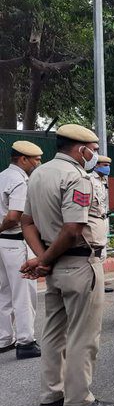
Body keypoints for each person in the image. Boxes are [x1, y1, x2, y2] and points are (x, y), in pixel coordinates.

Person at [20, 124, 114, 406]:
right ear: (80, 149)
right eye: (94, 149)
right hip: (79, 263)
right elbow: (73, 229)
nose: (95, 155)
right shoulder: (78, 178)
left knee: (53, 332)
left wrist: (42, 259)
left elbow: (26, 222)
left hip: (55, 265)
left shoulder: (38, 174)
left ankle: (52, 393)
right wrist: (44, 259)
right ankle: (78, 400)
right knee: (82, 334)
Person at [0, 141, 42, 359]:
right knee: (24, 293)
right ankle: (26, 341)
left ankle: (4, 338)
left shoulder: (2, 176)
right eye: (35, 159)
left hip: (2, 243)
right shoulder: (20, 181)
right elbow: (14, 216)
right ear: (23, 159)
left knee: (4, 291)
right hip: (16, 242)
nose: (38, 163)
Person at [92, 155, 114, 293]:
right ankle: (96, 282)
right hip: (95, 219)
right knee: (96, 252)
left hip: (104, 219)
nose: (107, 168)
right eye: (104, 165)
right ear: (96, 165)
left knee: (103, 252)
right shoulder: (90, 180)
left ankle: (100, 280)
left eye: (108, 165)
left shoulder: (103, 180)